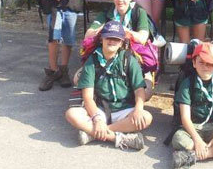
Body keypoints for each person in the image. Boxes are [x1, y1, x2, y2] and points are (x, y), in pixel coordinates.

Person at [65, 21, 153, 150]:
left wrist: (138, 109)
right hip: (100, 109)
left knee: (146, 117)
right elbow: (88, 97)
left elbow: (139, 90)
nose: (112, 41)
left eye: (116, 39)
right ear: (101, 39)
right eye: (108, 37)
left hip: (125, 109)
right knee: (71, 114)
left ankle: (94, 134)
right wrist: (97, 119)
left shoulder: (129, 60)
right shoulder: (92, 60)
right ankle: (118, 138)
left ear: (122, 42)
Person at [83, 0, 155, 99]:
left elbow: (142, 38)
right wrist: (103, 29)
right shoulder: (107, 12)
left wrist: (123, 31)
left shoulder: (138, 12)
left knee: (146, 93)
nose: (120, 0)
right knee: (78, 79)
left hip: (132, 56)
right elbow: (88, 35)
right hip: (107, 54)